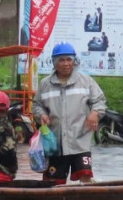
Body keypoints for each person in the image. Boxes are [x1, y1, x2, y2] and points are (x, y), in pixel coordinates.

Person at [32, 42, 107, 184]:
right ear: (54, 62)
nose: (66, 64)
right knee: (52, 183)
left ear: (74, 61)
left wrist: (95, 113)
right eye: (61, 60)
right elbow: (37, 105)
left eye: (69, 59)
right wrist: (41, 114)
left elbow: (99, 101)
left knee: (85, 178)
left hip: (80, 141)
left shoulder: (86, 82)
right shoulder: (45, 84)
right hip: (55, 144)